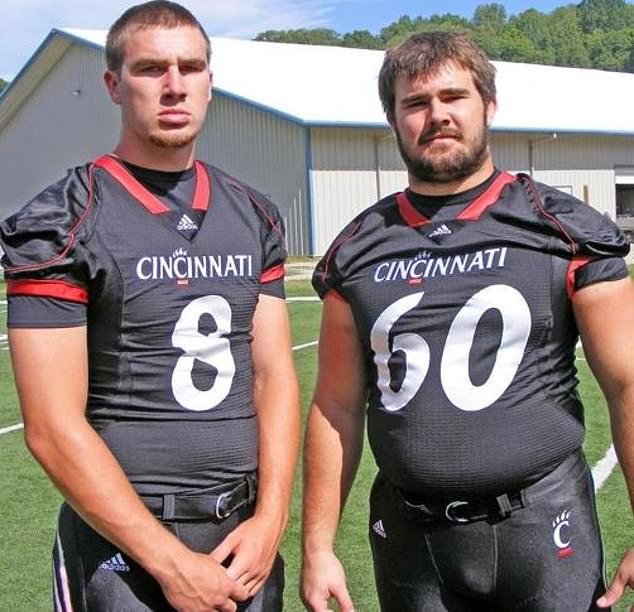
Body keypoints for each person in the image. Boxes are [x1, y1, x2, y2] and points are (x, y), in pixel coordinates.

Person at [301, 31, 634, 612]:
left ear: (489, 104)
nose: (437, 116)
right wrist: (317, 544)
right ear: (392, 119)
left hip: (543, 521)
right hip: (411, 537)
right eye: (415, 103)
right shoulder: (355, 250)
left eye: (454, 97)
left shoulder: (563, 228)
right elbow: (336, 404)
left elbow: (628, 382)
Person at [0, 2, 299, 611]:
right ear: (114, 84)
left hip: (243, 534)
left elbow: (274, 377)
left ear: (210, 83)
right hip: (124, 550)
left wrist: (271, 520)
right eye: (150, 68)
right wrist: (169, 563)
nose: (173, 84)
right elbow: (52, 428)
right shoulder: (64, 218)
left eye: (191, 67)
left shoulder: (253, 214)